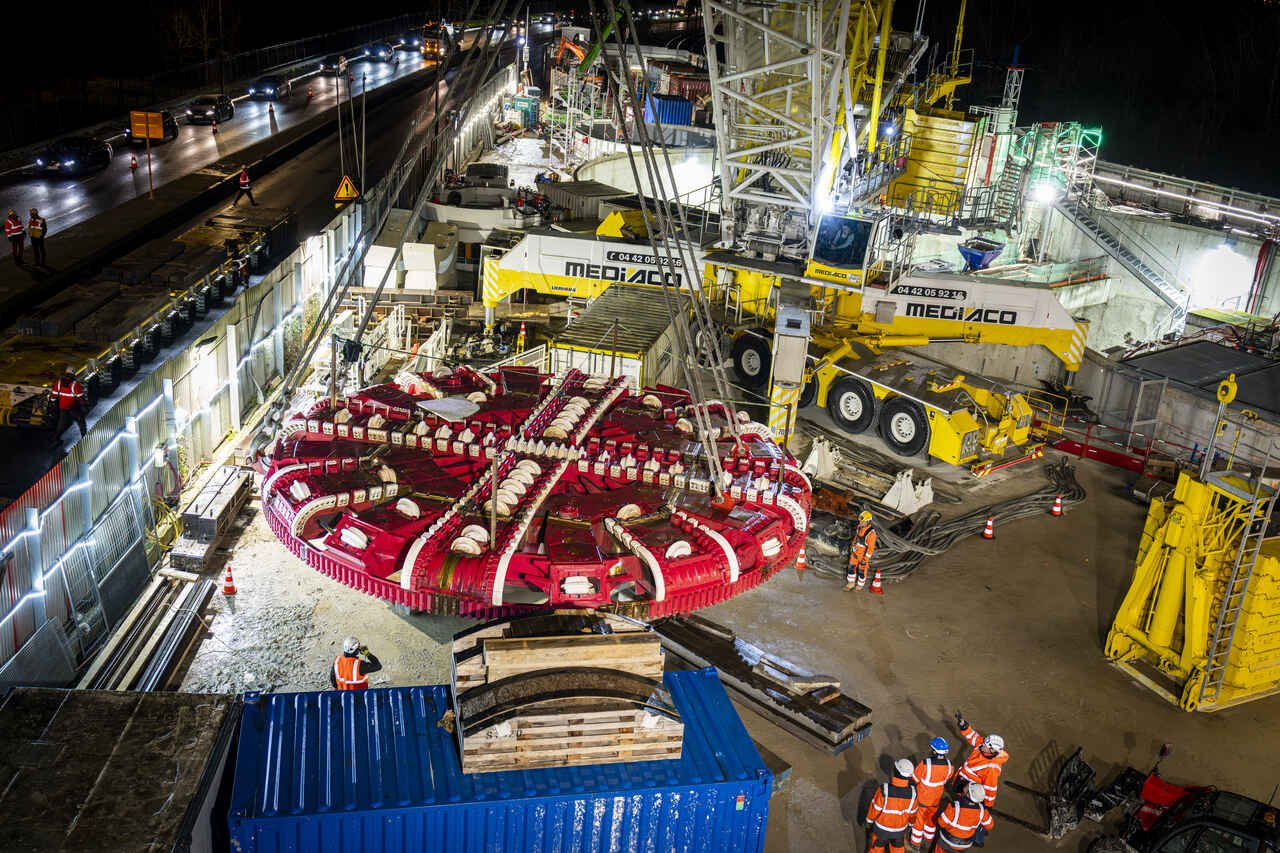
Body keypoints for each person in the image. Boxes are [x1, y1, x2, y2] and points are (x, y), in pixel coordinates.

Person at [951, 711, 1008, 806]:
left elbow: (991, 788)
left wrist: (987, 805)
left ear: (992, 751)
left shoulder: (992, 768)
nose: (982, 745)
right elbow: (975, 738)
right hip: (963, 780)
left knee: (962, 804)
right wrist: (964, 726)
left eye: (985, 745)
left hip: (969, 790)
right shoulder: (984, 747)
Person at [865, 758, 918, 853]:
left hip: (881, 832)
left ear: (896, 771)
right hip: (899, 833)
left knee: (875, 850)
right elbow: (913, 814)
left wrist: (869, 821)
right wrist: (910, 824)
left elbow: (875, 808)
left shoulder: (884, 790)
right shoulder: (913, 794)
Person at [910, 737, 954, 849]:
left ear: (934, 750)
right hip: (936, 800)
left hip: (922, 799)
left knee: (918, 821)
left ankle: (915, 844)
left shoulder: (925, 764)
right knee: (931, 820)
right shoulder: (950, 765)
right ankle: (928, 841)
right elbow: (947, 778)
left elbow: (915, 778)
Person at [933, 782, 994, 852]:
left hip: (948, 840)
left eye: (968, 787)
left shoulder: (954, 807)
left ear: (968, 794)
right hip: (965, 844)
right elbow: (990, 825)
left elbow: (941, 823)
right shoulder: (982, 810)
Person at [49, 365, 87, 447]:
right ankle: (85, 438)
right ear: (73, 374)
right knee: (81, 422)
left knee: (61, 425)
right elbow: (80, 397)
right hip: (73, 408)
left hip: (63, 408)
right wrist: (84, 406)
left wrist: (53, 404)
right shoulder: (75, 384)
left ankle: (55, 440)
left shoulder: (59, 383)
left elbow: (54, 395)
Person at [845, 510, 877, 591]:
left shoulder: (871, 534)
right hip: (855, 551)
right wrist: (852, 547)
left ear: (868, 521)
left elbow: (870, 549)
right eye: (860, 521)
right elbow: (856, 538)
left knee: (862, 571)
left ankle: (860, 585)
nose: (861, 523)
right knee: (851, 567)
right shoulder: (859, 527)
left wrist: (865, 559)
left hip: (863, 554)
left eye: (863, 521)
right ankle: (851, 583)